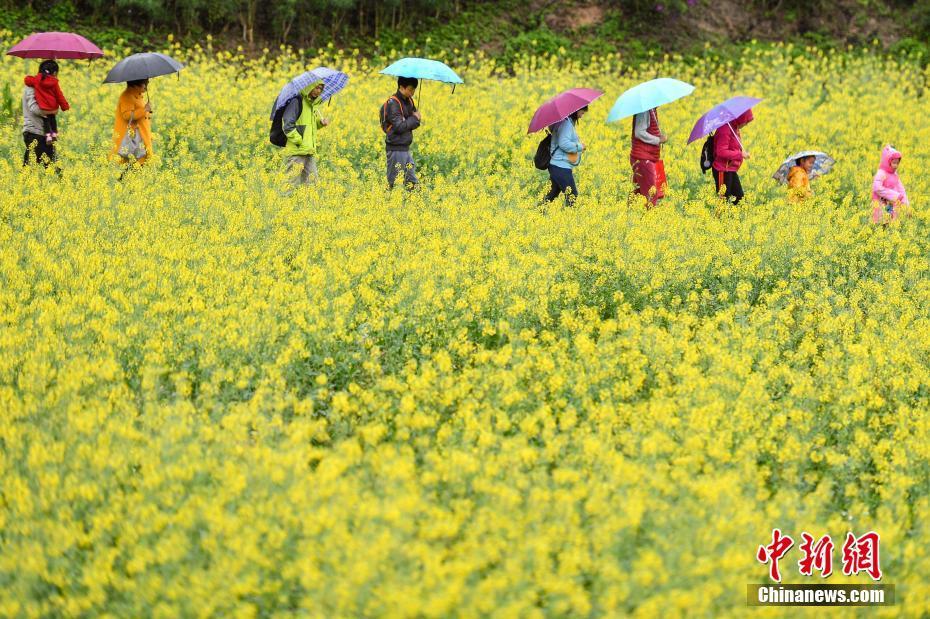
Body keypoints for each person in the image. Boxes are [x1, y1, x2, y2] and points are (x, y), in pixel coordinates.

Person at [282, 81, 329, 188]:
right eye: (316, 87)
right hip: (296, 151)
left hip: (309, 151)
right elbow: (287, 125)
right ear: (309, 86)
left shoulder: (312, 105)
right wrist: (299, 141)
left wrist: (320, 123)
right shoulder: (296, 101)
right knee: (290, 184)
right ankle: (285, 204)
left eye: (321, 89)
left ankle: (308, 205)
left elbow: (309, 127)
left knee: (313, 185)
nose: (318, 91)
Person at [382, 76, 421, 190]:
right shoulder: (393, 103)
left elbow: (414, 122)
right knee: (393, 182)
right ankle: (387, 204)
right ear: (401, 87)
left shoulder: (408, 101)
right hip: (395, 149)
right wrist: (414, 119)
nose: (412, 92)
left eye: (414, 90)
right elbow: (400, 126)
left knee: (412, 181)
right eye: (410, 89)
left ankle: (413, 205)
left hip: (405, 148)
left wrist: (414, 120)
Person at [544, 106, 587, 206]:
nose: (582, 115)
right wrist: (580, 147)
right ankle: (570, 220)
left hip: (557, 165)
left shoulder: (564, 122)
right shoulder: (566, 124)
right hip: (560, 166)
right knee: (572, 196)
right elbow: (563, 143)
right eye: (582, 112)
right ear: (576, 110)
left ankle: (536, 217)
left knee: (550, 195)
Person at [712, 110, 753, 205]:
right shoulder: (725, 129)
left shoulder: (734, 128)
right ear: (740, 118)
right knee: (723, 201)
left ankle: (733, 218)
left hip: (730, 169)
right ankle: (719, 219)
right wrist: (740, 154)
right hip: (722, 169)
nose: (746, 124)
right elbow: (721, 152)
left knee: (739, 199)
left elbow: (733, 146)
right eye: (746, 121)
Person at [24, 60, 69, 145]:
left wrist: (28, 78)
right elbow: (60, 96)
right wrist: (64, 107)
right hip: (36, 132)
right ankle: (54, 134)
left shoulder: (36, 81)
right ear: (55, 73)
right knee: (52, 120)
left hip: (42, 109)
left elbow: (28, 80)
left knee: (46, 120)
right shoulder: (55, 83)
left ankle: (49, 135)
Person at [21, 64, 58, 168]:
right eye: (55, 75)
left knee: (30, 167)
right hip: (35, 132)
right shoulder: (31, 87)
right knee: (51, 167)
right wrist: (51, 111)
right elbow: (34, 108)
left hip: (43, 133)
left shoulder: (44, 88)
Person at [630, 107, 668, 206]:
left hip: (646, 156)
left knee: (639, 191)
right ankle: (648, 218)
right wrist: (657, 140)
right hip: (643, 158)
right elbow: (639, 132)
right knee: (651, 193)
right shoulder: (644, 111)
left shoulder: (651, 110)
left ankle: (629, 216)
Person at [112, 79, 153, 166]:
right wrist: (145, 109)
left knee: (139, 165)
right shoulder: (127, 96)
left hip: (140, 135)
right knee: (130, 164)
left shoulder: (137, 95)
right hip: (133, 138)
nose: (147, 86)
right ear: (136, 84)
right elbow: (127, 115)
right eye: (145, 83)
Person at [871, 145, 909, 224]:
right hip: (880, 204)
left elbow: (901, 189)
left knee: (892, 225)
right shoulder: (881, 173)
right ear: (887, 161)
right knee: (881, 225)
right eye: (894, 163)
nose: (896, 165)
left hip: (892, 206)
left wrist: (906, 204)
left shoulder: (894, 174)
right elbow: (877, 188)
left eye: (897, 163)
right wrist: (894, 195)